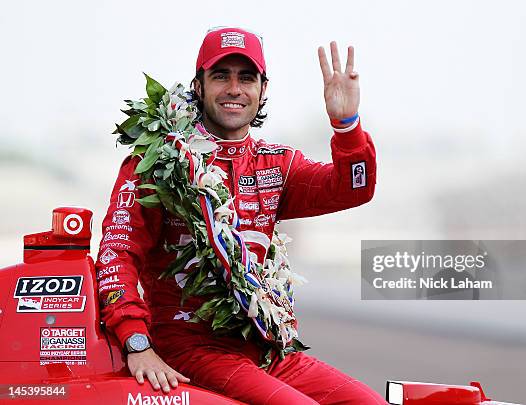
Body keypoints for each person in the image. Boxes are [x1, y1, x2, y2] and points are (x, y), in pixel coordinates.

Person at [96, 26, 383, 404]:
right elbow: (117, 253)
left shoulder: (276, 164)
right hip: (191, 346)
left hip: (266, 347)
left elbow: (352, 187)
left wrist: (346, 125)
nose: (234, 89)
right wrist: (136, 342)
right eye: (221, 76)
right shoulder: (157, 162)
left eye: (246, 78)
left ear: (263, 89)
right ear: (198, 86)